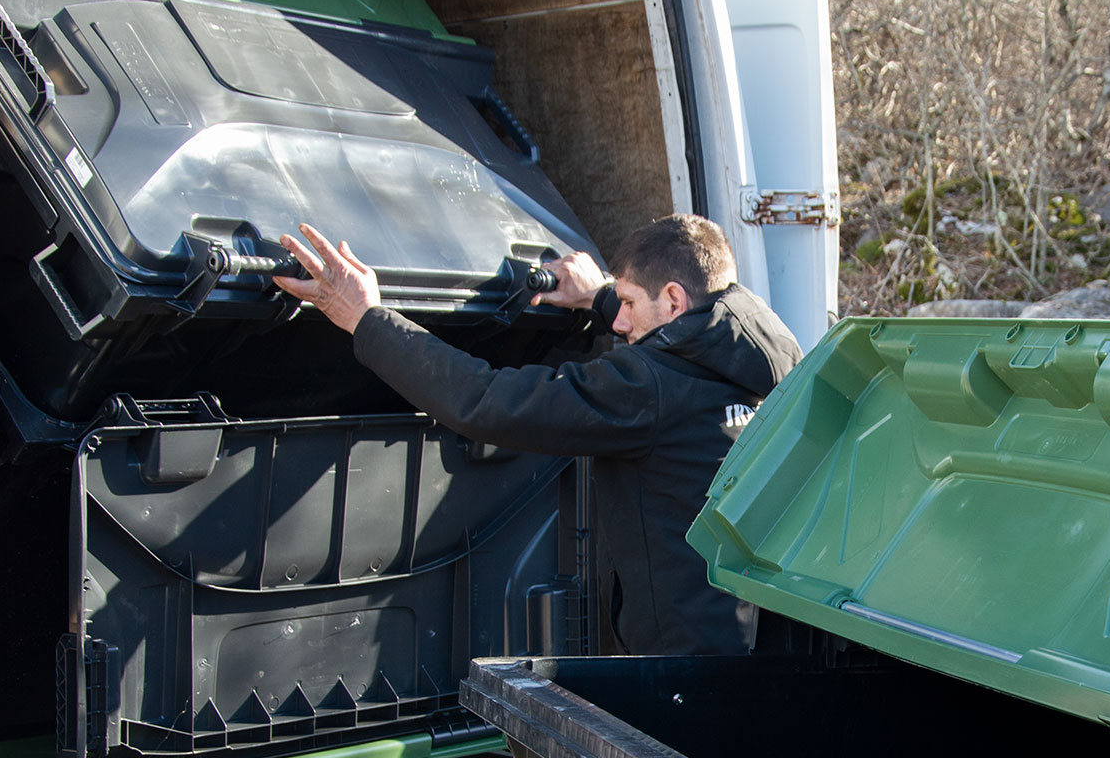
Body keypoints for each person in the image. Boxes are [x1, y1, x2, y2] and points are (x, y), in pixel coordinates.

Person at [274, 214, 804, 656]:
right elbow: (676, 348)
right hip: (739, 636)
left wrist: (367, 318)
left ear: (672, 300)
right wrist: (599, 295)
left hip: (673, 667)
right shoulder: (767, 363)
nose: (619, 323)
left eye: (627, 304)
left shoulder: (647, 387)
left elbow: (486, 400)